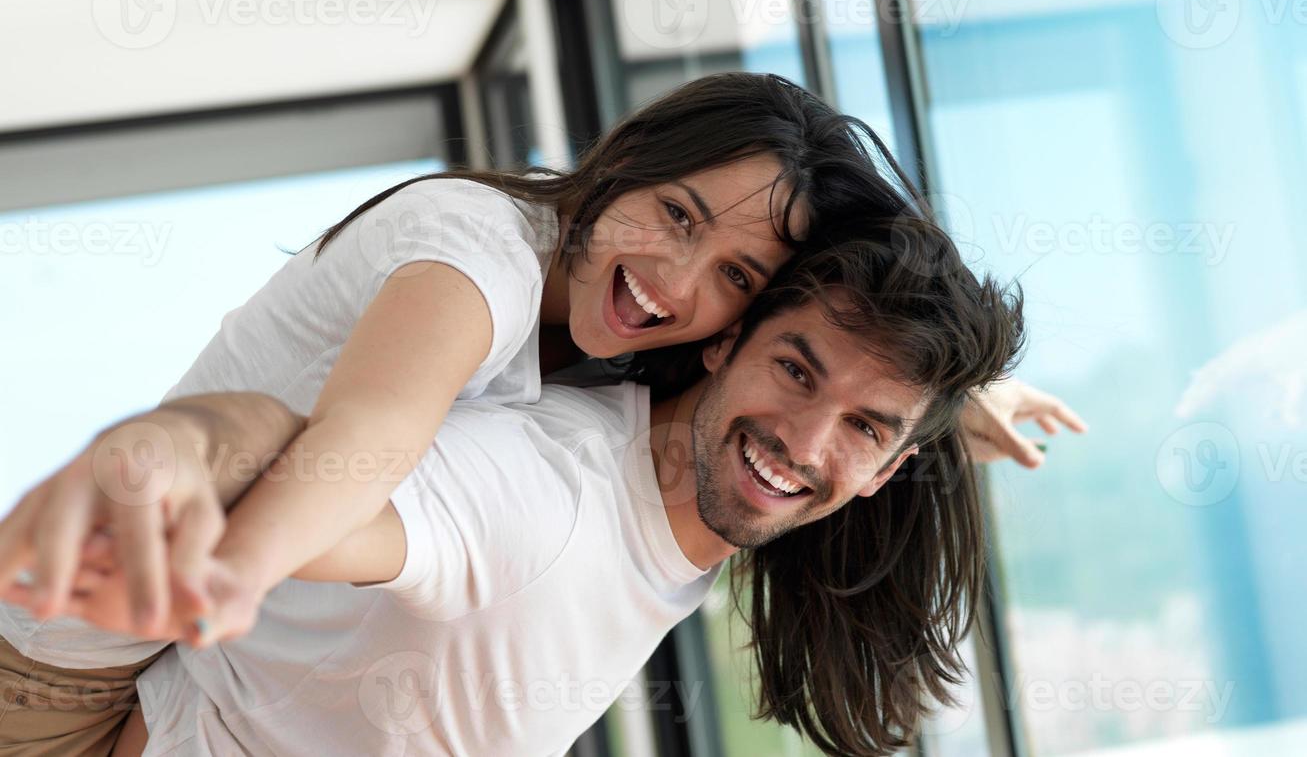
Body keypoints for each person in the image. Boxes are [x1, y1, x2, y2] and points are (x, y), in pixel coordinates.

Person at [0, 72, 1084, 754]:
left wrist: (933, 401)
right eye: (672, 213)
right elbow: (362, 442)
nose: (674, 273)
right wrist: (230, 559)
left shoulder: (627, 358)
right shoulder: (475, 257)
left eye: (736, 272)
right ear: (623, 164)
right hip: (69, 657)